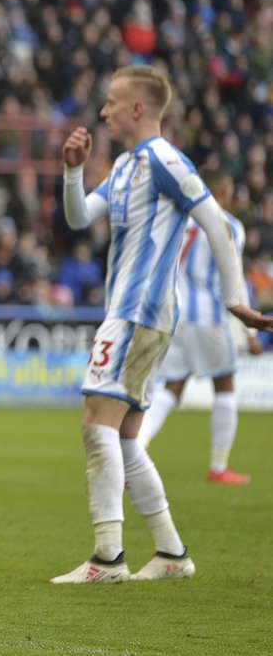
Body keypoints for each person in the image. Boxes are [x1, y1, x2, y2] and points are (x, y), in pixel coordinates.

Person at [51, 65, 273, 585]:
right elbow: (80, 217)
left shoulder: (166, 160)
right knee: (126, 437)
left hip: (138, 312)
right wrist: (71, 171)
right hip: (136, 315)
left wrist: (236, 301)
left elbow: (216, 224)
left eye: (110, 102)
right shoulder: (128, 165)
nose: (102, 111)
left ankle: (107, 559)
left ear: (137, 108)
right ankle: (172, 554)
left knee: (95, 422)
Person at [137, 169, 264, 483]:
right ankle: (219, 467)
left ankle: (138, 446)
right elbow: (234, 280)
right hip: (209, 318)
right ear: (223, 189)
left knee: (173, 388)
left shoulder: (179, 221)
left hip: (176, 316)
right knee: (225, 385)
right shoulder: (230, 226)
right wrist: (249, 330)